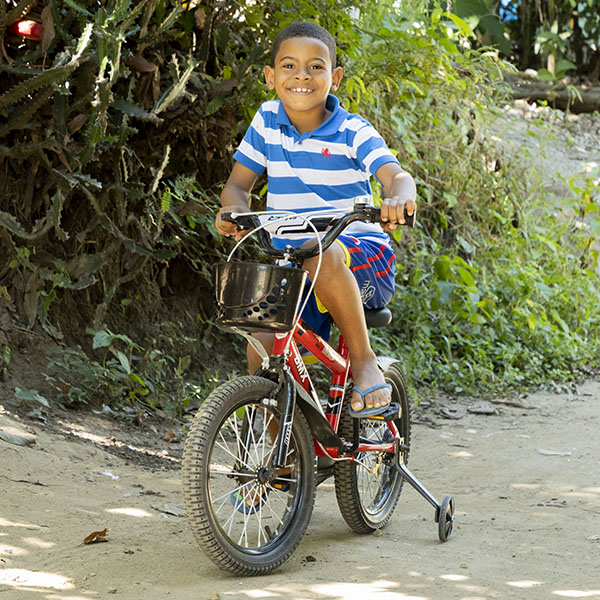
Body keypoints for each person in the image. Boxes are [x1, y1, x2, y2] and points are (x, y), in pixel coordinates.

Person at [215, 21, 416, 417]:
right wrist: (232, 210)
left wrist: (400, 198)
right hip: (295, 264)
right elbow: (237, 186)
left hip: (363, 259)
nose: (302, 76)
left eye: (316, 67)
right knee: (261, 341)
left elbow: (397, 176)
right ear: (271, 76)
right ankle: (283, 458)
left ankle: (362, 360)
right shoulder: (267, 122)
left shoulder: (353, 130)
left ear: (335, 77)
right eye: (289, 66)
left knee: (319, 255)